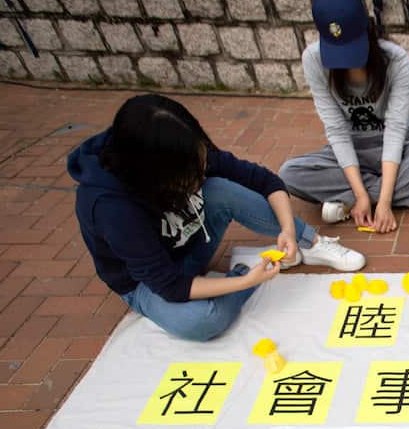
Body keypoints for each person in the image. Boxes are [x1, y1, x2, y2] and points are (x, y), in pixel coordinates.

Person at [67, 94, 364, 342]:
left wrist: (287, 228)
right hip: (147, 285)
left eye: (201, 162)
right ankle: (244, 272)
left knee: (221, 189)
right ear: (154, 173)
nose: (200, 176)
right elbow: (170, 285)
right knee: (203, 322)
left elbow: (266, 182)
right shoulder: (111, 207)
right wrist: (246, 280)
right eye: (189, 176)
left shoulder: (182, 149)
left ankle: (308, 242)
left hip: (189, 246)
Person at [280, 0, 409, 234]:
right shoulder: (313, 59)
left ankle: (351, 200)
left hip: (396, 148)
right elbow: (337, 130)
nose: (347, 63)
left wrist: (383, 202)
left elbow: (396, 128)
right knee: (289, 174)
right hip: (351, 152)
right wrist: (362, 194)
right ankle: (382, 196)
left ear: (367, 28)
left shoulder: (396, 59)